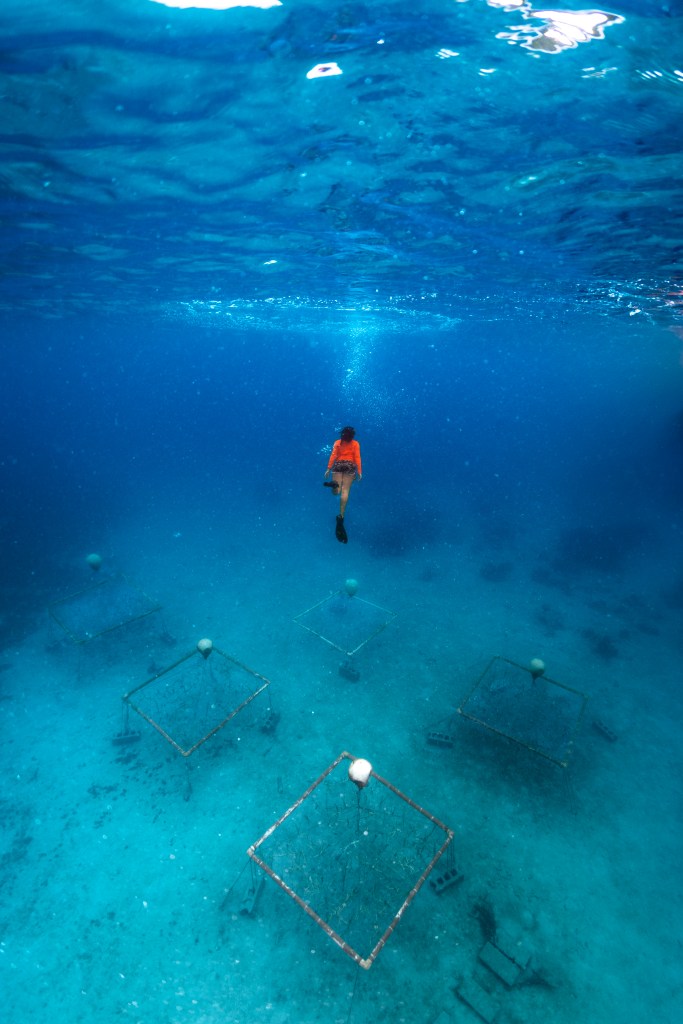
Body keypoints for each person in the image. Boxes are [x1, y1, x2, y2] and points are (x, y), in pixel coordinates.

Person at [324, 425, 362, 543]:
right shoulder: (355, 444)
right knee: (345, 492)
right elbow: (357, 458)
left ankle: (334, 485)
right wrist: (359, 472)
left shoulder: (337, 442)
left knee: (336, 492)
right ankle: (341, 516)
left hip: (338, 465)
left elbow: (333, 456)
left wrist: (328, 469)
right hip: (349, 466)